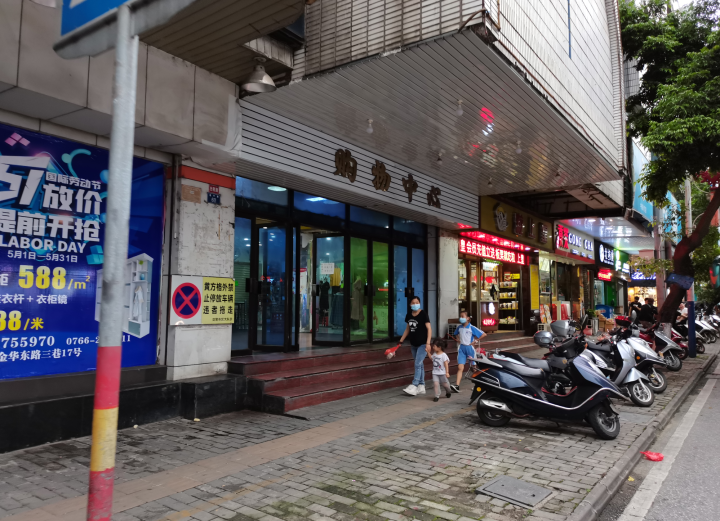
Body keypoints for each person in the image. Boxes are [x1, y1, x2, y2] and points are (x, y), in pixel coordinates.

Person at [399, 296, 432, 396]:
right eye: (413, 303)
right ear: (410, 304)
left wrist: (428, 343)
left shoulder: (423, 314)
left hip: (423, 344)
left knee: (417, 364)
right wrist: (400, 341)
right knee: (419, 364)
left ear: (419, 303)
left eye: (417, 302)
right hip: (413, 344)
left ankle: (414, 385)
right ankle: (422, 386)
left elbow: (429, 329)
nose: (415, 304)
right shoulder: (409, 315)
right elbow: (407, 329)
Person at [451, 311, 485, 393]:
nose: (461, 318)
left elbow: (484, 334)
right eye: (460, 316)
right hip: (461, 349)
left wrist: (475, 341)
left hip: (470, 349)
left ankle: (478, 384)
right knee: (460, 367)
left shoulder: (472, 327)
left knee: (473, 368)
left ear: (468, 318)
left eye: (462, 316)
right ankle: (457, 386)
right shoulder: (459, 327)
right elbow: (455, 334)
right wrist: (458, 339)